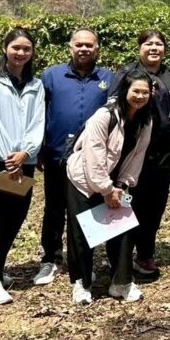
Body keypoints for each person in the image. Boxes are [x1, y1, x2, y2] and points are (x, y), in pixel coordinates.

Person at [0, 28, 45, 305]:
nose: (21, 53)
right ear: (5, 49)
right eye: (16, 47)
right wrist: (8, 156)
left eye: (26, 49)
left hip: (24, 160)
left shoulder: (36, 85)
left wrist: (26, 152)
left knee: (15, 215)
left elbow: (38, 121)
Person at [65, 70, 154, 303]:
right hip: (84, 178)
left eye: (145, 92)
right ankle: (82, 283)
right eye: (136, 91)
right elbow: (93, 155)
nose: (140, 96)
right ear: (125, 90)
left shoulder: (146, 121)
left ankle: (121, 282)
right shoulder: (104, 116)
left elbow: (137, 157)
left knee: (124, 228)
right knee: (82, 232)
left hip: (117, 180)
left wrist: (122, 186)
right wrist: (106, 189)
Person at [35, 29, 113, 286]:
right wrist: (39, 148)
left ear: (97, 49)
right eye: (79, 44)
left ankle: (84, 261)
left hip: (91, 160)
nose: (84, 49)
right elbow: (39, 114)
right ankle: (51, 259)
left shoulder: (107, 78)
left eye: (89, 45)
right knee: (54, 207)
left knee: (88, 210)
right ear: (71, 47)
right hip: (57, 154)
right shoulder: (52, 76)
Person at [110, 30, 170, 278]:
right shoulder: (126, 74)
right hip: (132, 151)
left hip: (163, 154)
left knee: (155, 206)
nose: (154, 48)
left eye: (159, 44)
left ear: (165, 49)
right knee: (129, 203)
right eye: (148, 43)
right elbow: (113, 109)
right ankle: (120, 257)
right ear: (140, 47)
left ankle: (145, 254)